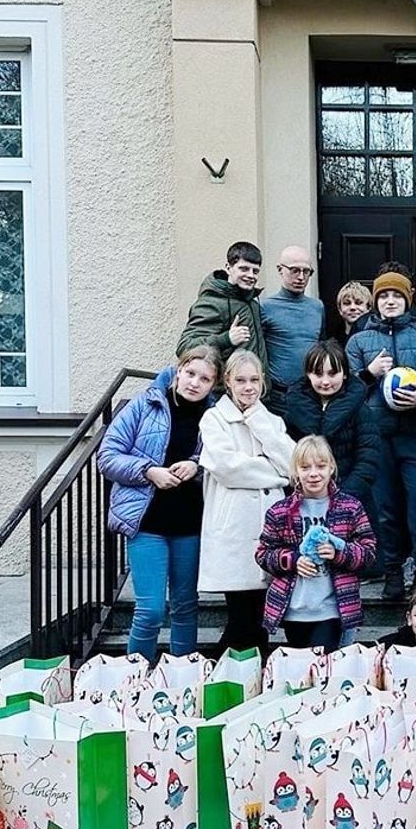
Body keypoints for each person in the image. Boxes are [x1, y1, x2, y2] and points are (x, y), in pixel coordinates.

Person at [98, 346, 221, 661]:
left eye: (205, 378)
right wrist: (148, 471)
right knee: (150, 609)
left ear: (214, 384)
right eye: (190, 373)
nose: (195, 382)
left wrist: (197, 465)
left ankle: (182, 677)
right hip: (147, 522)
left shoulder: (216, 416)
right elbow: (108, 456)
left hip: (190, 522)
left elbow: (223, 460)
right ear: (178, 371)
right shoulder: (145, 404)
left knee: (185, 606)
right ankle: (134, 678)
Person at [346, 271, 416, 601]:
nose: (390, 301)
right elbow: (346, 392)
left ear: (408, 300)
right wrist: (369, 374)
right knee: (386, 507)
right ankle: (392, 571)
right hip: (376, 436)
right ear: (376, 301)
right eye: (384, 296)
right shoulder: (359, 340)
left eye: (397, 296)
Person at [197, 350, 296, 657]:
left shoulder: (272, 420)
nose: (248, 387)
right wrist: (275, 473)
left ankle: (252, 676)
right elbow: (228, 468)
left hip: (270, 528)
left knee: (262, 617)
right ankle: (225, 673)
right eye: (240, 380)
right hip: (234, 526)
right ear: (227, 381)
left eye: (254, 380)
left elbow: (293, 463)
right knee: (241, 616)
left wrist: (260, 424)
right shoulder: (214, 418)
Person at [256, 435, 376, 653]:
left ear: (331, 468)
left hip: (333, 607)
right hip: (294, 608)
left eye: (320, 466)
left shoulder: (350, 507)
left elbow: (368, 552)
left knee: (322, 666)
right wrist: (292, 560)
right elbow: (263, 553)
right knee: (303, 673)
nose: (313, 473)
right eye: (305, 467)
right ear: (295, 472)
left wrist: (339, 552)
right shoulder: (279, 511)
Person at [281, 340, 379, 506]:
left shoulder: (361, 410)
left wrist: (342, 498)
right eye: (318, 374)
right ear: (308, 375)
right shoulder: (293, 409)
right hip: (304, 500)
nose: (325, 381)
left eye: (332, 374)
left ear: (345, 373)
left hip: (350, 502)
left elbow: (367, 461)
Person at [176, 241, 267, 373]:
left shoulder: (253, 304)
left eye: (255, 271)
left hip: (254, 389)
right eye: (244, 269)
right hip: (225, 391)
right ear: (228, 268)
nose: (250, 275)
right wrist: (226, 339)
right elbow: (185, 348)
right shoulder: (211, 303)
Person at [261, 245, 325, 410]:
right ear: (280, 269)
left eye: (306, 272)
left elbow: (322, 346)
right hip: (277, 395)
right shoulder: (265, 306)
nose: (301, 277)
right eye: (295, 270)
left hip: (311, 394)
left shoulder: (317, 307)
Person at [325, 280, 372, 348]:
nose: (352, 307)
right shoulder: (333, 343)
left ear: (369, 307)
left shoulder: (376, 338)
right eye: (347, 303)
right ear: (340, 309)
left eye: (358, 303)